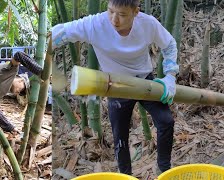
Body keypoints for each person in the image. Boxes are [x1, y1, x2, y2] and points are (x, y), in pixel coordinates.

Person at [52, 0, 179, 175]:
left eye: (122, 14)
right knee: (120, 139)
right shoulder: (96, 24)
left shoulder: (148, 24)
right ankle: (126, 176)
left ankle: (164, 171)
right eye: (111, 11)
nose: (114, 20)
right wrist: (44, 49)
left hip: (144, 82)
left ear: (136, 12)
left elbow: (169, 44)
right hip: (115, 87)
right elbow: (58, 33)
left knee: (166, 121)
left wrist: (170, 76)